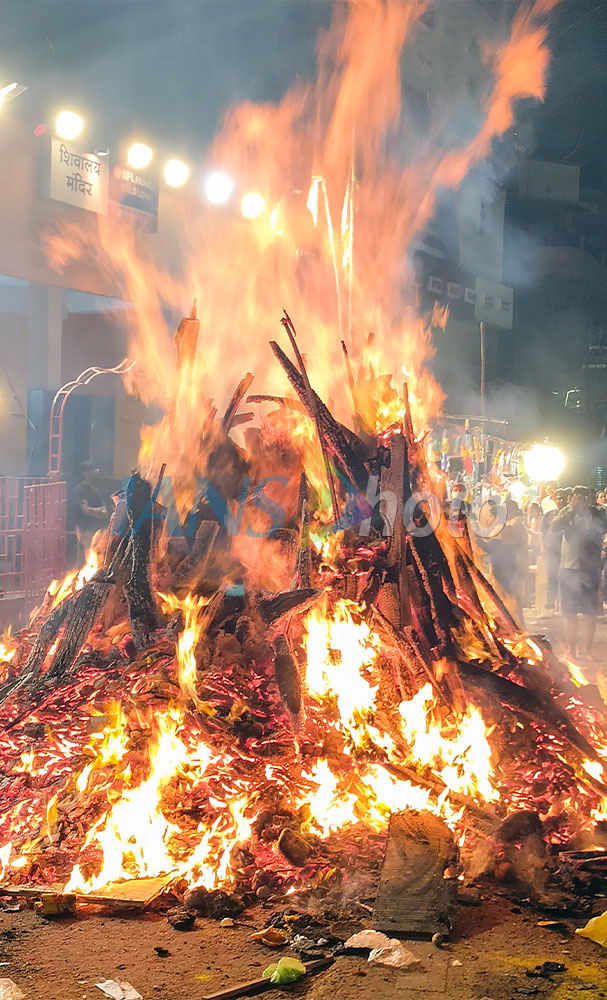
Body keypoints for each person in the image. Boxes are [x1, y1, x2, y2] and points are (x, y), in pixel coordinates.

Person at [550, 485, 607, 658]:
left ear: (589, 499)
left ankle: (587, 651)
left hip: (590, 570)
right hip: (568, 569)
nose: (580, 500)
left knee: (590, 613)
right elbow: (554, 527)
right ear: (570, 499)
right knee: (570, 613)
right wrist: (571, 510)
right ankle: (571, 650)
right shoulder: (565, 513)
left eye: (583, 497)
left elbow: (603, 527)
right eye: (576, 497)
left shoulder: (598, 513)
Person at [73, 460, 108, 562]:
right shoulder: (78, 490)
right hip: (83, 531)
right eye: (93, 470)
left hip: (97, 531)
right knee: (85, 558)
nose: (96, 472)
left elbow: (105, 512)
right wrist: (98, 511)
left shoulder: (97, 491)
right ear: (86, 472)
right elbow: (85, 511)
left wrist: (91, 509)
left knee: (97, 558)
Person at [541, 488, 569, 613]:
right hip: (551, 552)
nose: (560, 501)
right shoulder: (549, 515)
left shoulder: (570, 514)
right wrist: (543, 548)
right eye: (558, 498)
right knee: (551, 577)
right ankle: (551, 602)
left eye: (563, 498)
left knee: (564, 578)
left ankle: (563, 603)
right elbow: (542, 533)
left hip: (565, 553)